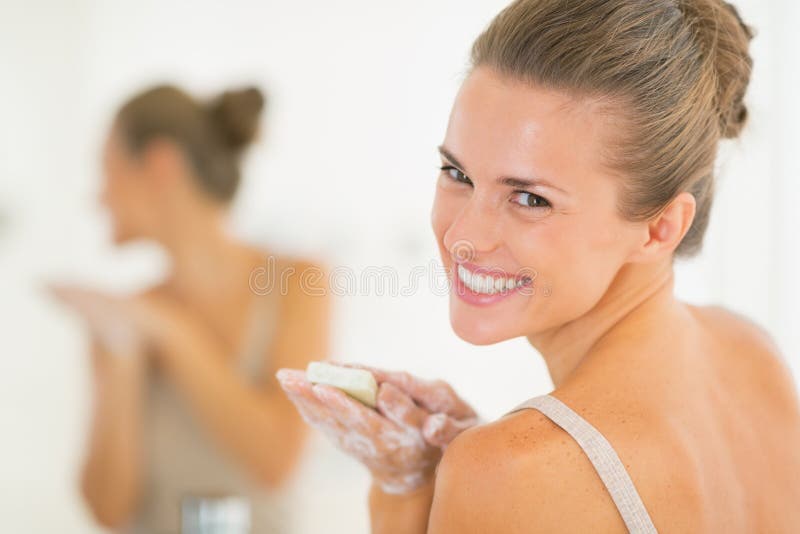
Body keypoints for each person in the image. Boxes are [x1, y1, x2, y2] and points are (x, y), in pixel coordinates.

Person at [275, 0, 800, 532]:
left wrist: (402, 491)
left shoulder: (509, 472)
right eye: (457, 173)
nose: (462, 238)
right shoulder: (753, 354)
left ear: (660, 227)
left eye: (530, 199)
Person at [51, 84, 330, 533]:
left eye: (108, 168)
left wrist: (172, 331)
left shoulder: (299, 282)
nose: (98, 197)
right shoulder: (125, 317)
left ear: (161, 164)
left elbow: (276, 460)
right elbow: (108, 509)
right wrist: (123, 354)